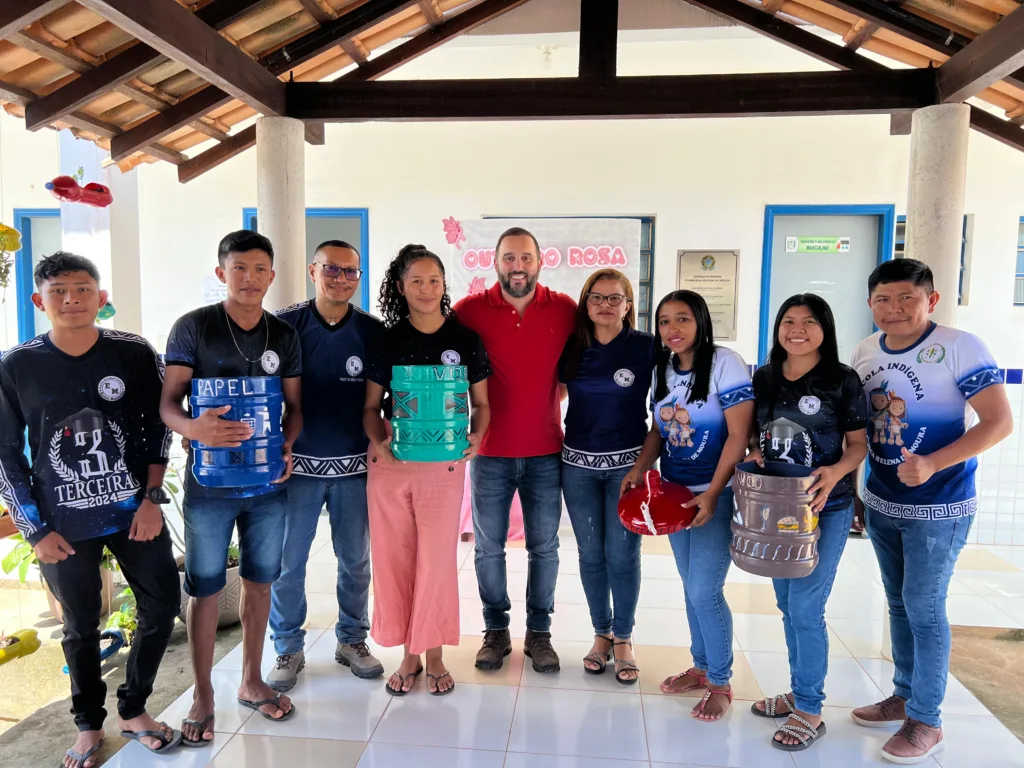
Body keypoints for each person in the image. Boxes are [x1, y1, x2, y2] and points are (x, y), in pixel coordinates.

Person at [0, 252, 182, 768]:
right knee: (79, 626)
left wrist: (150, 499)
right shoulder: (15, 366)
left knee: (163, 604)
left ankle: (134, 708)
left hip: (132, 513)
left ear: (101, 298)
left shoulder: (132, 353)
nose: (72, 299)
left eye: (83, 289)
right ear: (39, 300)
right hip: (61, 524)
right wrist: (34, 529)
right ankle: (88, 724)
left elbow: (157, 428)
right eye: (59, 291)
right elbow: (5, 454)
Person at [849, 258, 1012, 764]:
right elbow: (865, 429)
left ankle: (927, 719)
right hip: (881, 501)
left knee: (924, 606)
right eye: (883, 300)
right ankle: (904, 695)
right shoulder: (865, 351)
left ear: (931, 300)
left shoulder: (961, 347)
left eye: (907, 298)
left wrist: (935, 462)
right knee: (898, 604)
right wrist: (858, 491)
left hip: (940, 508)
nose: (894, 309)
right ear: (870, 303)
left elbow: (999, 422)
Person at [160, 230, 302, 746]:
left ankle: (251, 679)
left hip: (267, 485)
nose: (249, 278)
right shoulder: (193, 328)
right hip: (210, 486)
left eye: (259, 269)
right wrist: (192, 429)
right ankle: (202, 693)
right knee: (205, 588)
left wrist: (286, 447)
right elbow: (169, 403)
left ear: (271, 275)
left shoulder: (283, 336)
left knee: (261, 582)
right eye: (238, 268)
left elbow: (295, 408)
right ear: (222, 273)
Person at [363, 245, 490, 696]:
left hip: (444, 468)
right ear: (401, 287)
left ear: (443, 284)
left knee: (435, 561)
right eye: (416, 280)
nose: (425, 288)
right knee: (395, 560)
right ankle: (409, 655)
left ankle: (432, 653)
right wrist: (380, 442)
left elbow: (482, 405)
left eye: (433, 279)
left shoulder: (465, 340)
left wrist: (478, 436)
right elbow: (370, 408)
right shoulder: (387, 340)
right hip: (391, 468)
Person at [622, 289, 753, 722]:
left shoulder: (724, 363)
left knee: (705, 589)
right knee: (690, 585)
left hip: (715, 491)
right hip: (677, 495)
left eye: (682, 319)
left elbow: (738, 435)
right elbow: (659, 430)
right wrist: (642, 467)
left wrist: (714, 493)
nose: (672, 330)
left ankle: (720, 681)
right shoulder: (662, 368)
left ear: (700, 321)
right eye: (664, 322)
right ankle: (701, 666)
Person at [746, 294, 869, 752]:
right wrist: (755, 454)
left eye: (809, 322)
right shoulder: (764, 377)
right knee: (787, 604)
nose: (797, 329)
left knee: (805, 608)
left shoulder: (841, 379)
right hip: (776, 509)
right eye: (788, 321)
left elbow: (858, 443)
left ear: (825, 329)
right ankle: (799, 692)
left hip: (825, 508)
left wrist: (837, 472)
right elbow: (757, 432)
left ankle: (811, 709)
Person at [453, 227, 576, 673]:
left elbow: (577, 365)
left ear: (540, 262)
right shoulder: (468, 312)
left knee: (544, 548)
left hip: (546, 451)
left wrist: (553, 393)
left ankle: (539, 635)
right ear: (496, 262)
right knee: (488, 548)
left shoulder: (563, 309)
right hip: (488, 453)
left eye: (525, 258)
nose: (517, 266)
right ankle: (496, 631)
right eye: (509, 258)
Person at [266, 240, 385, 691]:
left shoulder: (372, 332)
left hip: (355, 466)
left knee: (355, 561)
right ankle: (288, 646)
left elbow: (385, 399)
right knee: (287, 562)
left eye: (351, 272)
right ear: (312, 271)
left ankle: (352, 639)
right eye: (332, 270)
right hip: (296, 467)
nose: (342, 279)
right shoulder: (284, 327)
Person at [559, 269, 654, 684]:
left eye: (615, 299)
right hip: (577, 464)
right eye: (596, 298)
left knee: (622, 555)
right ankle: (601, 633)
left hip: (627, 467)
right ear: (586, 303)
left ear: (629, 305)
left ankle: (624, 638)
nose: (605, 305)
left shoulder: (647, 348)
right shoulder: (572, 347)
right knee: (590, 555)